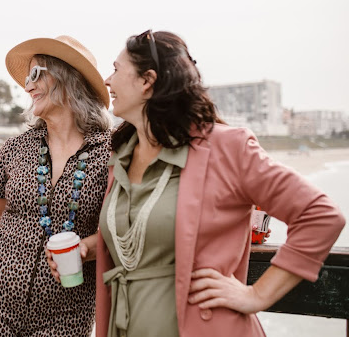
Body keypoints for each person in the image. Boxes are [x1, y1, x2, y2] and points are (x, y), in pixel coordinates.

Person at [89, 30, 345, 336]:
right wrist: (89, 247)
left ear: (147, 81)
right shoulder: (119, 157)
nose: (108, 80)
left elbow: (320, 215)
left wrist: (257, 295)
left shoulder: (228, 148)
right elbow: (141, 235)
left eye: (116, 69)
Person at [0, 35, 113, 336]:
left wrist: (86, 249)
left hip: (66, 313)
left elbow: (124, 227)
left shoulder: (112, 153)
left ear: (69, 78)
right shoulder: (16, 148)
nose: (28, 87)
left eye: (36, 74)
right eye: (27, 78)